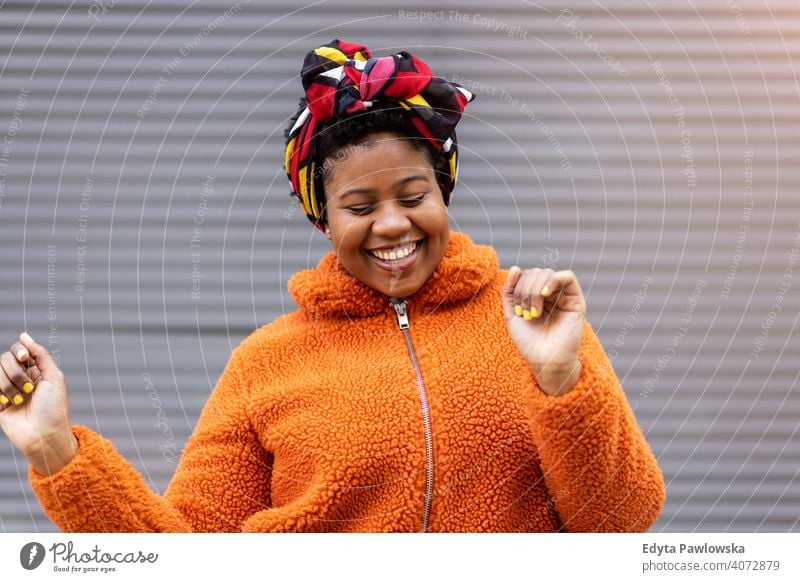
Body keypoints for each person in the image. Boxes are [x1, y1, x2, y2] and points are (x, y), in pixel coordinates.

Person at [0, 39, 665, 532]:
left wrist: (559, 377)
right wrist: (56, 449)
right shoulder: (265, 364)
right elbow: (184, 561)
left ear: (444, 192)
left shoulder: (532, 322)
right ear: (324, 219)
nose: (392, 224)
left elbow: (623, 524)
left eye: (414, 194)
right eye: (360, 206)